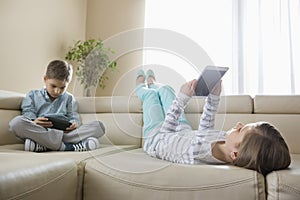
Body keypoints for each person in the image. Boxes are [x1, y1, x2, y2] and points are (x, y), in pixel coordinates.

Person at [135, 69, 291, 176]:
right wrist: (214, 96)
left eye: (240, 130)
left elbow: (164, 137)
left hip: (157, 138)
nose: (238, 124)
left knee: (151, 97)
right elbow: (205, 132)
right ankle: (154, 83)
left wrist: (182, 99)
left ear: (235, 154)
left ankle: (141, 87)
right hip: (183, 132)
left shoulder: (197, 153)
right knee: (165, 90)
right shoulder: (227, 144)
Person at [9, 60, 105, 152]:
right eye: (53, 86)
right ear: (45, 79)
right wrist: (34, 121)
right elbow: (28, 115)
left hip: (65, 133)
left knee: (99, 127)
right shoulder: (32, 95)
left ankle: (44, 146)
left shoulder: (69, 98)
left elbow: (73, 117)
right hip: (41, 130)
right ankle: (66, 147)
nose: (57, 91)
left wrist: (74, 124)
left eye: (62, 87)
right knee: (16, 123)